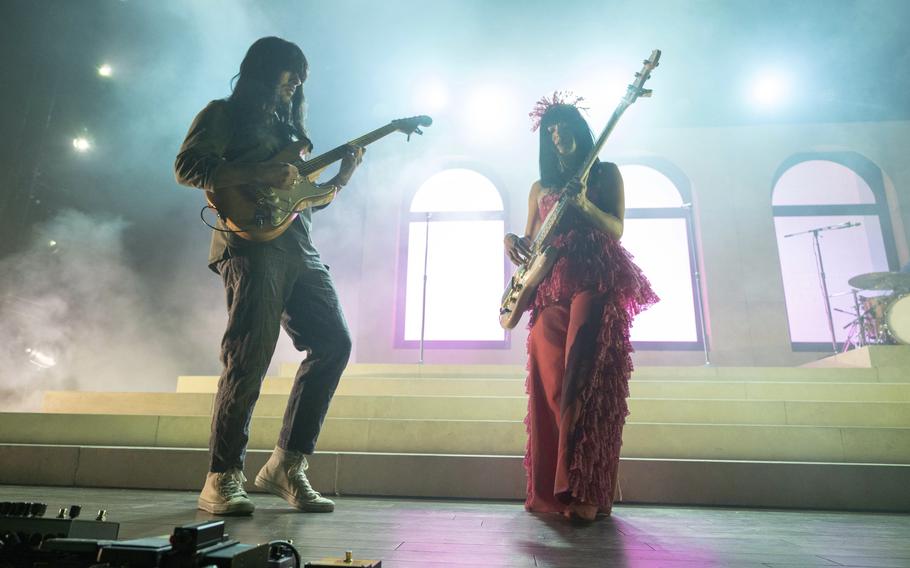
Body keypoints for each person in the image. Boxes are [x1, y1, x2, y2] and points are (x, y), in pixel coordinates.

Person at [174, 36, 363, 516]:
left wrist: (340, 179)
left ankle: (287, 463)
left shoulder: (291, 129)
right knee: (249, 356)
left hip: (298, 245)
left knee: (334, 343)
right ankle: (222, 476)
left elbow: (302, 197)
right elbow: (188, 166)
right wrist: (258, 170)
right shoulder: (224, 113)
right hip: (250, 245)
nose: (296, 81)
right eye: (289, 71)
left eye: (301, 75)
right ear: (263, 70)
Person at [504, 94, 658, 521]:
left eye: (564, 125)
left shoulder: (605, 173)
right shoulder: (540, 188)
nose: (557, 134)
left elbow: (617, 228)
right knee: (549, 385)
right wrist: (513, 243)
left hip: (595, 278)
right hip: (550, 288)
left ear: (578, 129)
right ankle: (556, 490)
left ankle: (586, 491)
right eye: (550, 130)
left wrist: (585, 203)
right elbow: (532, 243)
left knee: (581, 381)